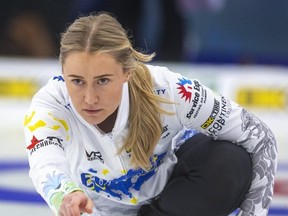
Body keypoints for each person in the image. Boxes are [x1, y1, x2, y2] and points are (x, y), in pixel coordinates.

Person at [23, 12, 277, 216]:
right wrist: (65, 194)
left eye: (102, 80)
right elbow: (45, 161)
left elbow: (260, 138)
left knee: (230, 161)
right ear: (62, 74)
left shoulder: (170, 91)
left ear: (127, 72)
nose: (89, 98)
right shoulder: (51, 105)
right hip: (100, 210)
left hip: (173, 199)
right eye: (76, 81)